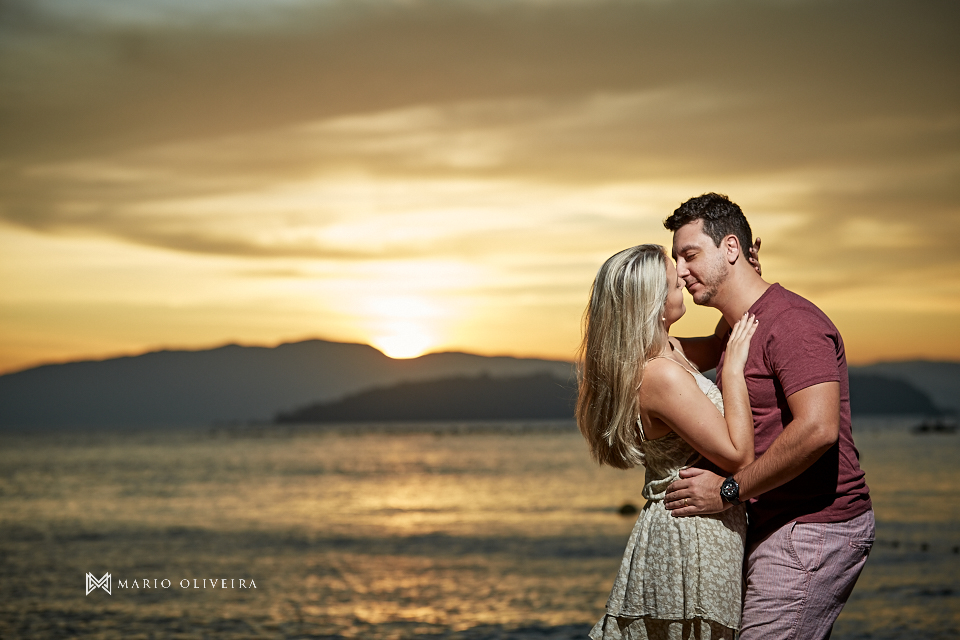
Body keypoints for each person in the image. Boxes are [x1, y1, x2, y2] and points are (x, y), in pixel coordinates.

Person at [661, 193, 874, 640]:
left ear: (733, 249)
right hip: (774, 522)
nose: (679, 270)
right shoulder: (737, 328)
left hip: (813, 528)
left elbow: (818, 430)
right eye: (677, 258)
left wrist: (728, 491)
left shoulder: (791, 323)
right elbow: (672, 356)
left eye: (690, 255)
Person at [577, 243, 760, 640]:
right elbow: (739, 455)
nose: (684, 277)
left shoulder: (669, 351)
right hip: (690, 538)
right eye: (676, 282)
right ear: (656, 304)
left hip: (692, 526)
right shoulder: (660, 375)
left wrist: (743, 274)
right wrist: (733, 373)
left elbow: (716, 343)